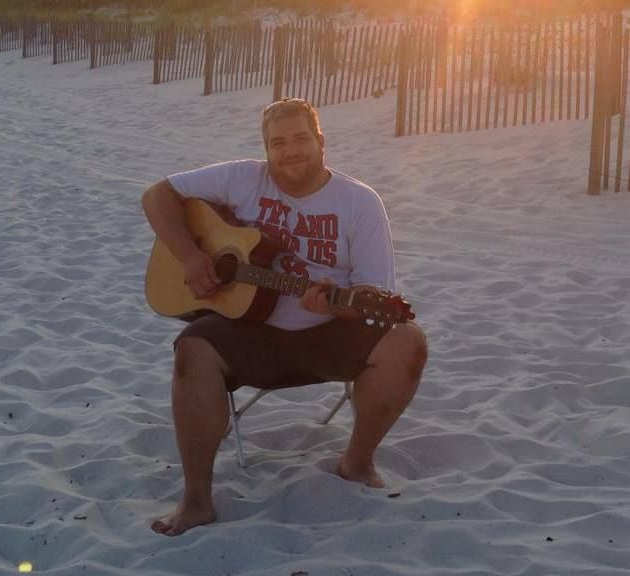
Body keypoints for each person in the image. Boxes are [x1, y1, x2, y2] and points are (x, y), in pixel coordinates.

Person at [142, 98, 427, 537]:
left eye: (300, 139)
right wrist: (192, 256)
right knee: (192, 348)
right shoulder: (242, 178)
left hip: (329, 335)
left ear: (321, 143)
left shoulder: (359, 202)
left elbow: (375, 294)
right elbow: (158, 195)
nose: (290, 150)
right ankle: (196, 500)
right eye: (278, 143)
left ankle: (356, 461)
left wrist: (338, 304)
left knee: (407, 339)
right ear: (266, 149)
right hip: (249, 330)